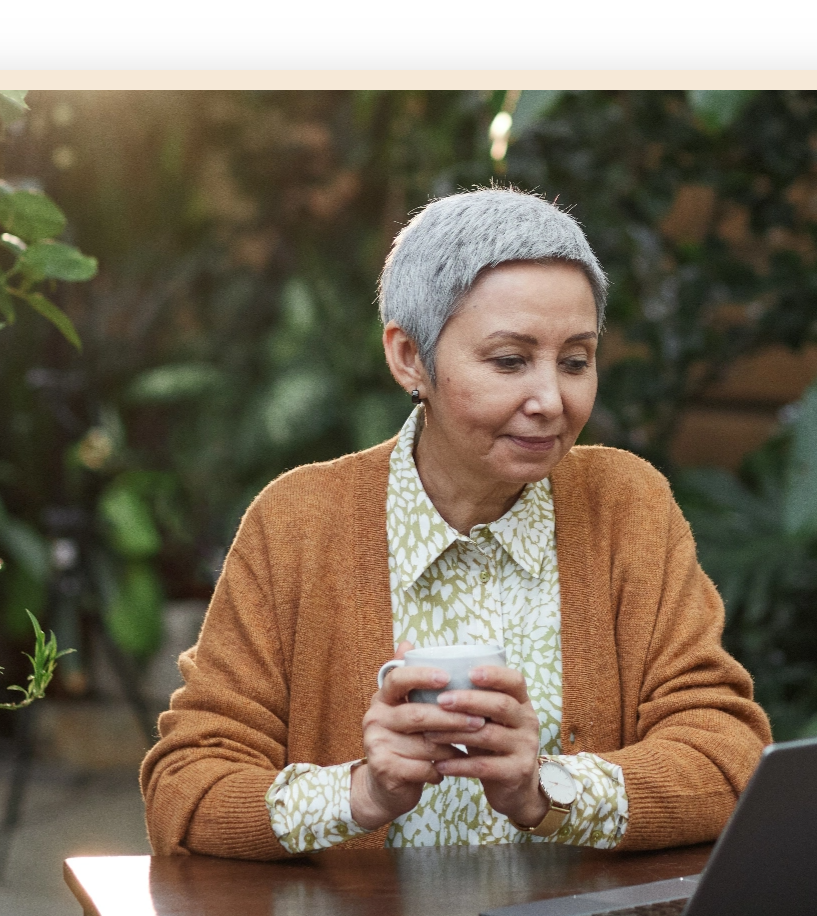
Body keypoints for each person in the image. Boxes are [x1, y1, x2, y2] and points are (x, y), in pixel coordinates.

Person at [141, 187, 770, 859]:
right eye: (509, 361)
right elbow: (187, 787)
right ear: (410, 357)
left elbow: (728, 757)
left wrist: (546, 792)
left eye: (576, 361)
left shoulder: (626, 505)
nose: (551, 401)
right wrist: (361, 795)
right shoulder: (297, 524)